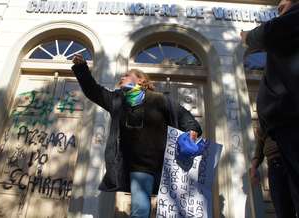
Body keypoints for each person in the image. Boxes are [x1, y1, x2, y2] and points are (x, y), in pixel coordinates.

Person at [71, 54, 202, 218]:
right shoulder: (117, 100)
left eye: (126, 75)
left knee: (168, 211)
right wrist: (82, 68)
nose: (122, 77)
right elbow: (93, 90)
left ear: (141, 80)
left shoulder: (160, 100)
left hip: (164, 165)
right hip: (136, 166)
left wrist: (192, 130)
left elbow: (186, 118)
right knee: (140, 210)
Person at [241, 0, 299, 214]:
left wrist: (248, 37)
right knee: (283, 207)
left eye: (282, 6)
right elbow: (262, 132)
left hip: (291, 130)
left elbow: (271, 32)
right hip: (277, 153)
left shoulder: (289, 23)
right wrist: (256, 160)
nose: (278, 10)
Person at [250, 125, 297, 218]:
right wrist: (254, 167)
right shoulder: (263, 117)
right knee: (282, 210)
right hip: (275, 167)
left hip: (293, 160)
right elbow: (260, 143)